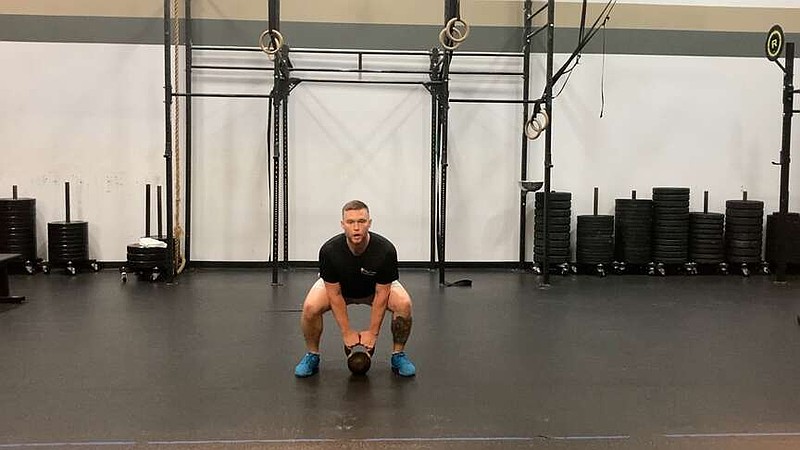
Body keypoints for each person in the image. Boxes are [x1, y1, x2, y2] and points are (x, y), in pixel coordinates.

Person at [294, 200, 416, 377]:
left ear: (370, 223)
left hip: (373, 289)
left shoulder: (385, 250)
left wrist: (373, 333)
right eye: (351, 222)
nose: (356, 227)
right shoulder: (329, 251)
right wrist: (347, 333)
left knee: (404, 304)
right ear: (343, 225)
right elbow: (334, 294)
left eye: (362, 221)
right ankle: (312, 355)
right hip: (341, 288)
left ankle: (398, 355)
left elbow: (382, 294)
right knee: (310, 307)